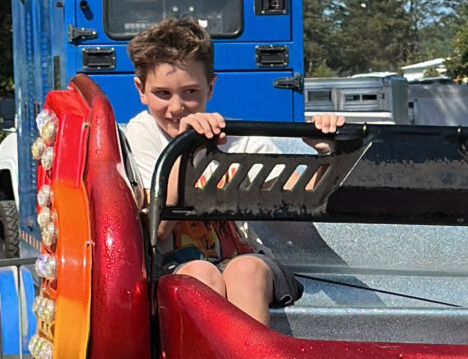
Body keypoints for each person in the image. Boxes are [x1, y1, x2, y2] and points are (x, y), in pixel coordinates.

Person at [124, 17, 343, 325]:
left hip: (249, 260)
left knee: (245, 270)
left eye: (190, 92)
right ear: (141, 90)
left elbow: (303, 199)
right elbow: (159, 229)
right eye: (163, 93)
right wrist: (190, 149)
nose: (177, 107)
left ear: (210, 87)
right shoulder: (141, 135)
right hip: (173, 266)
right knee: (199, 274)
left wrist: (327, 151)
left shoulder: (241, 137)